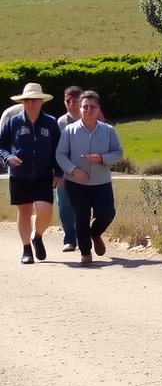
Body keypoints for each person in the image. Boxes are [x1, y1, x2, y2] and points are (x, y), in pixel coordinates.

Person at [54, 91, 121, 266]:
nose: (88, 110)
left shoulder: (108, 131)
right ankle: (85, 252)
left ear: (98, 110)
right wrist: (73, 170)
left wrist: (102, 158)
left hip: (102, 182)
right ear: (80, 109)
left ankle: (95, 233)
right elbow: (60, 154)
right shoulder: (69, 131)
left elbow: (118, 152)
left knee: (107, 213)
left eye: (92, 107)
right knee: (81, 216)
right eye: (85, 107)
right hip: (77, 182)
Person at [1, 83, 63, 265]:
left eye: (34, 100)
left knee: (45, 210)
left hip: (44, 174)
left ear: (41, 101)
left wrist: (58, 172)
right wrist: (8, 157)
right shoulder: (13, 122)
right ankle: (26, 248)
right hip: (19, 174)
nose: (30, 103)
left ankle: (38, 236)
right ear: (22, 102)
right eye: (27, 100)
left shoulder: (51, 123)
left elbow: (58, 150)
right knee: (24, 211)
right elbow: (1, 146)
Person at [54, 86, 83, 254]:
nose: (71, 104)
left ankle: (83, 237)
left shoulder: (89, 119)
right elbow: (57, 150)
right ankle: (70, 239)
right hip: (65, 171)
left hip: (85, 170)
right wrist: (58, 173)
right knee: (64, 205)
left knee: (82, 205)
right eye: (68, 101)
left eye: (75, 100)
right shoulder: (60, 123)